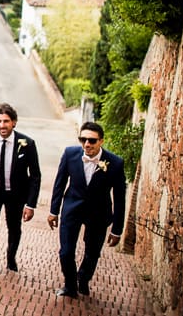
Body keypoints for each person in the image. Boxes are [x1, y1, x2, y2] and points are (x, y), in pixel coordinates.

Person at [48, 121, 126, 298]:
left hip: (99, 213)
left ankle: (83, 279)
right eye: (83, 139)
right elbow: (59, 184)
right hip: (72, 209)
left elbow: (119, 198)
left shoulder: (115, 163)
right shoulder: (70, 154)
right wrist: (54, 211)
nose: (87, 144)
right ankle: (70, 285)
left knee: (92, 253)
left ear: (101, 141)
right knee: (66, 252)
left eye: (91, 140)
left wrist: (117, 229)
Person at [0, 102, 41, 272]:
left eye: (6, 121)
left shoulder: (27, 143)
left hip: (16, 194)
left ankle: (11, 258)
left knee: (14, 229)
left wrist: (30, 204)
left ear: (14, 122)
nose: (2, 125)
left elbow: (35, 175)